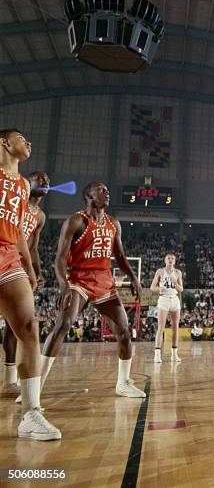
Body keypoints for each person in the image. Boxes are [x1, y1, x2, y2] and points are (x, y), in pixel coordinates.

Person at [39, 181, 145, 398]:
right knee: (63, 324)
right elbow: (59, 258)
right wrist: (63, 284)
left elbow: (120, 257)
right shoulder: (76, 221)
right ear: (89, 196)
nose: (107, 193)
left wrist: (133, 277)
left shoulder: (114, 223)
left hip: (104, 280)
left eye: (107, 189)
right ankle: (35, 386)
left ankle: (123, 383)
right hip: (80, 279)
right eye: (102, 190)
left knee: (124, 332)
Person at [0, 129, 60, 439]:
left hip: (9, 256)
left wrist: (30, 266)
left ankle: (31, 415)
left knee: (28, 328)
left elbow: (20, 231)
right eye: (22, 138)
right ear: (4, 143)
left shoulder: (23, 185)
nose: (29, 143)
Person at [2, 171, 50, 394]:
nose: (45, 182)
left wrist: (36, 273)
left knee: (21, 326)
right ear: (27, 184)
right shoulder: (16, 199)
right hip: (6, 254)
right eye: (40, 178)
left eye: (47, 179)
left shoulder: (40, 216)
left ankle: (10, 380)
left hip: (18, 266)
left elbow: (32, 248)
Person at [150, 253, 184, 363]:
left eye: (172, 258)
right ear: (165, 260)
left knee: (175, 327)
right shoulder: (160, 271)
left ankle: (174, 354)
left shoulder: (178, 272)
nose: (171, 260)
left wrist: (175, 284)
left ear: (175, 261)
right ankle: (157, 354)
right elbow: (152, 287)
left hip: (174, 299)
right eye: (169, 258)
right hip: (163, 299)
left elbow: (181, 289)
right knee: (161, 327)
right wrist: (160, 288)